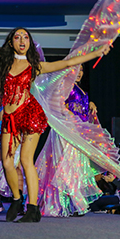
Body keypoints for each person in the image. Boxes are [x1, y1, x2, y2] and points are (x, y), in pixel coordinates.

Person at [0, 24, 111, 222]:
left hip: (30, 114)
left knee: (27, 161)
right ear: (11, 42)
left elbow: (67, 63)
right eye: (18, 37)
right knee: (7, 162)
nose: (22, 40)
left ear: (29, 43)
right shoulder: (0, 60)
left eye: (25, 37)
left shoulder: (34, 66)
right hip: (10, 118)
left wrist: (96, 51)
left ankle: (33, 208)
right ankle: (18, 198)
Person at [36, 66, 104, 217]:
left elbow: (81, 109)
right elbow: (55, 106)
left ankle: (69, 204)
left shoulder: (77, 88)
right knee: (65, 165)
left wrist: (90, 103)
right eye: (77, 70)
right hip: (66, 131)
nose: (80, 73)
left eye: (82, 71)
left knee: (74, 167)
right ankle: (76, 203)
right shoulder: (63, 86)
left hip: (77, 132)